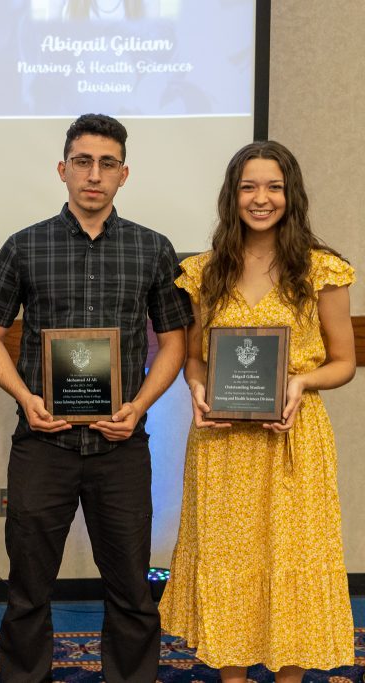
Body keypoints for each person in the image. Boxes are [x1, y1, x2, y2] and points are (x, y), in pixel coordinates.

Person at [0, 113, 193, 682]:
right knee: (27, 591)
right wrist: (25, 396)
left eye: (107, 163)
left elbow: (174, 342)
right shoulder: (24, 247)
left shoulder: (153, 249)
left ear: (124, 174)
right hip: (42, 444)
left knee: (132, 593)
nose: (94, 174)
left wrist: (139, 407)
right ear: (62, 170)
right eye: (82, 162)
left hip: (120, 447)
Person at [158, 141, 356, 681]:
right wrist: (196, 389)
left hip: (292, 442)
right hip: (223, 447)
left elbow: (343, 363)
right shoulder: (203, 272)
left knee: (290, 562)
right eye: (249, 186)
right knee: (229, 567)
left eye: (273, 186)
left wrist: (301, 381)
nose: (261, 198)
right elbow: (194, 360)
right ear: (232, 195)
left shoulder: (321, 270)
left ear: (290, 194)